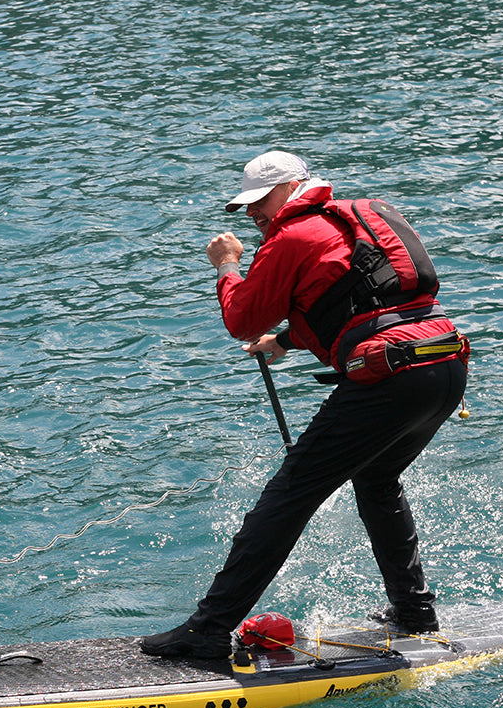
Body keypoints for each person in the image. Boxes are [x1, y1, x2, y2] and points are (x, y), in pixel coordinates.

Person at [141, 150, 468, 660]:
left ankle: (208, 630)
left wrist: (228, 265)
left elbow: (243, 321)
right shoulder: (364, 214)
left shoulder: (291, 237)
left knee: (290, 495)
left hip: (390, 379)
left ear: (292, 188)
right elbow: (368, 300)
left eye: (258, 202)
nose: (252, 215)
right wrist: (288, 340)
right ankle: (414, 610)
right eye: (246, 206)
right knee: (377, 480)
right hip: (443, 365)